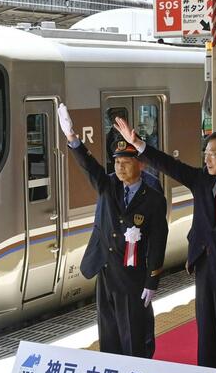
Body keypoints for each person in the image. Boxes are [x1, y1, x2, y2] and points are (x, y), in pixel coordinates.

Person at [113, 117, 216, 372]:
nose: (206, 159)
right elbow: (170, 165)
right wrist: (139, 144)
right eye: (205, 153)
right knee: (206, 331)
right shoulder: (201, 181)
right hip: (205, 268)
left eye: (212, 154)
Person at [58, 104, 168, 358]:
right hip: (106, 270)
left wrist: (152, 280)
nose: (119, 168)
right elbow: (89, 166)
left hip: (134, 277)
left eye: (126, 162)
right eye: (117, 162)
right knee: (108, 334)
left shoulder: (152, 198)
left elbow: (158, 241)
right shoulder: (108, 186)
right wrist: (72, 138)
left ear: (140, 165)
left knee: (134, 334)